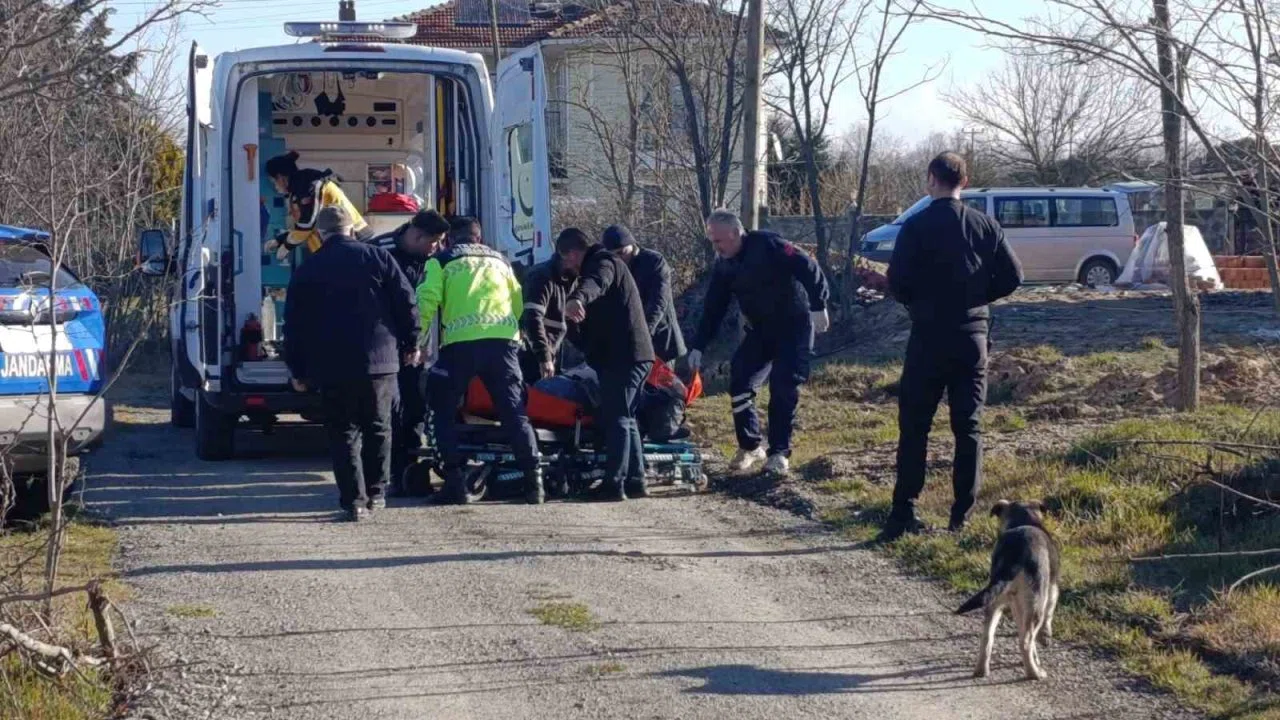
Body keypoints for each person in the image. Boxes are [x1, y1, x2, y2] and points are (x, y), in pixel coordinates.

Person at [880, 151, 1024, 542]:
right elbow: (1013, 276)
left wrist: (919, 303)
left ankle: (903, 512)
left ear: (931, 178)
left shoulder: (915, 226)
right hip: (972, 336)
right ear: (965, 181)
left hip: (928, 335)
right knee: (968, 427)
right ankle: (961, 517)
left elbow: (897, 282)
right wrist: (977, 297)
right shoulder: (985, 224)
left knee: (915, 426)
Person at [283, 205, 420, 522]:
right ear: (353, 229)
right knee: (379, 427)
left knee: (343, 432)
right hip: (380, 361)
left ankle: (354, 501)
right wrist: (411, 343)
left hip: (332, 365)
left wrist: (298, 369)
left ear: (320, 234)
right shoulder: (378, 257)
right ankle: (377, 492)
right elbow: (406, 302)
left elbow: (295, 324)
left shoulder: (309, 268)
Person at [687, 210, 830, 478]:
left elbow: (807, 266)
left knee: (783, 385)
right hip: (761, 330)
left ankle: (779, 453)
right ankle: (750, 446)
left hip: (794, 326)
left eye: (718, 241)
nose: (715, 247)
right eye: (712, 241)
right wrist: (699, 345)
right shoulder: (725, 265)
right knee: (740, 378)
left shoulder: (769, 245)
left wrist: (818, 305)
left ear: (735, 233)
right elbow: (714, 308)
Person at [419, 217, 544, 505]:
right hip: (503, 344)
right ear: (479, 238)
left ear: (450, 238)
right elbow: (517, 302)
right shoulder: (501, 261)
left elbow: (426, 300)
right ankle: (534, 483)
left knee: (441, 410)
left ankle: (454, 483)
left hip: (460, 345)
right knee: (514, 413)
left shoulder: (441, 260)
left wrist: (417, 340)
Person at [558, 228, 655, 501]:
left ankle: (614, 483)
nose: (567, 267)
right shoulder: (602, 263)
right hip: (632, 355)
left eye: (566, 260)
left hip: (624, 356)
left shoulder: (603, 263)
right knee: (627, 418)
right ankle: (636, 481)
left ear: (572, 254)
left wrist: (577, 298)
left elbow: (597, 283)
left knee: (617, 418)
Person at [373, 210, 451, 494]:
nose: (437, 247)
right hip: (386, 346)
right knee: (389, 412)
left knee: (415, 409)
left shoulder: (435, 258)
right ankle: (390, 474)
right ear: (417, 235)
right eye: (434, 241)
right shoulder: (380, 251)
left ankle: (410, 474)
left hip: (418, 349)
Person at [264, 151, 372, 264]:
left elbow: (307, 225)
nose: (275, 187)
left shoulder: (310, 186)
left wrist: (287, 245)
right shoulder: (301, 187)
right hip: (339, 244)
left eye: (274, 182)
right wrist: (281, 240)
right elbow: (305, 225)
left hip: (352, 241)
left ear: (281, 178)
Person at [601, 225, 686, 364]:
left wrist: (641, 336)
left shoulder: (654, 261)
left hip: (660, 340)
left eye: (622, 252)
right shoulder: (612, 269)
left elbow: (658, 303)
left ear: (632, 245)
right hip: (631, 345)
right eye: (614, 256)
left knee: (661, 378)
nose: (619, 259)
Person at [519, 253, 576, 384]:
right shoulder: (541, 276)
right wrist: (544, 357)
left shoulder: (569, 278)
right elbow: (532, 318)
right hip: (534, 354)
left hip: (552, 352)